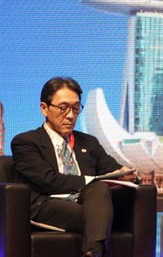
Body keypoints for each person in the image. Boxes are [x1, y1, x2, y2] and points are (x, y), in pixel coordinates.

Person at [11, 77, 134, 257]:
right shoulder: (26, 142)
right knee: (100, 215)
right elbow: (48, 180)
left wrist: (128, 175)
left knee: (99, 191)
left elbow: (114, 171)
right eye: (63, 108)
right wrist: (91, 180)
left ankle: (92, 252)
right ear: (44, 108)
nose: (70, 115)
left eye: (75, 108)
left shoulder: (88, 142)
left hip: (88, 202)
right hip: (47, 204)